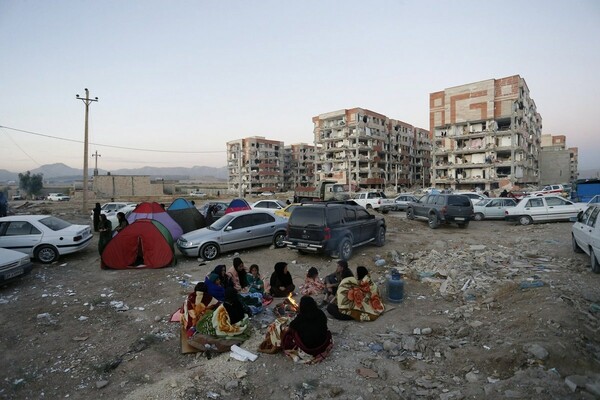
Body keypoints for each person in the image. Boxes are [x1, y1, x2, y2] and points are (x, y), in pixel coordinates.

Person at [282, 296, 333, 363]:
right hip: (323, 343)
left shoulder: (301, 318)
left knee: (292, 332)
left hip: (309, 348)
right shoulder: (320, 313)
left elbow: (291, 326)